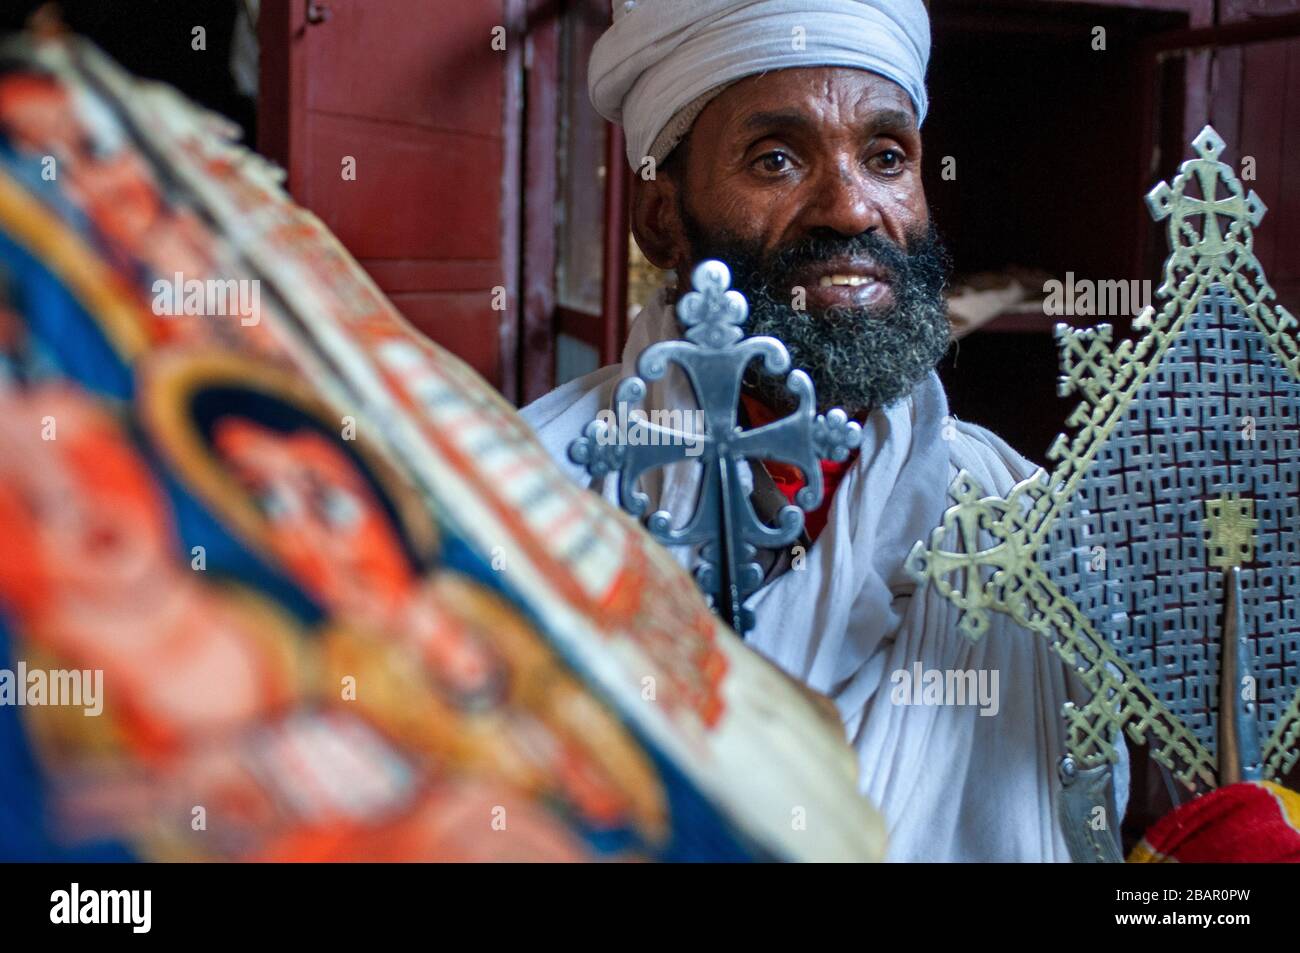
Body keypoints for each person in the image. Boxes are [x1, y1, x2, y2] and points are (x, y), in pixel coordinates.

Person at [523, 0, 1128, 861]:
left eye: (887, 157)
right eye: (775, 159)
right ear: (662, 220)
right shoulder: (526, 494)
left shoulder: (1023, 524)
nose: (850, 209)